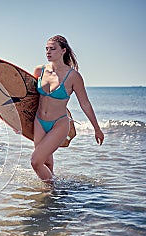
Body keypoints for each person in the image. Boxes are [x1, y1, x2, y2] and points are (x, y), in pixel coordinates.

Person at [31, 35, 104, 185]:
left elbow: (85, 104)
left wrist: (97, 129)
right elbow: (28, 98)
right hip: (39, 121)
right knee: (46, 163)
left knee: (35, 162)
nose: (48, 52)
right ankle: (51, 199)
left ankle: (54, 188)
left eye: (53, 48)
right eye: (46, 49)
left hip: (59, 124)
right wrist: (15, 120)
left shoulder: (73, 76)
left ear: (63, 50)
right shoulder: (40, 71)